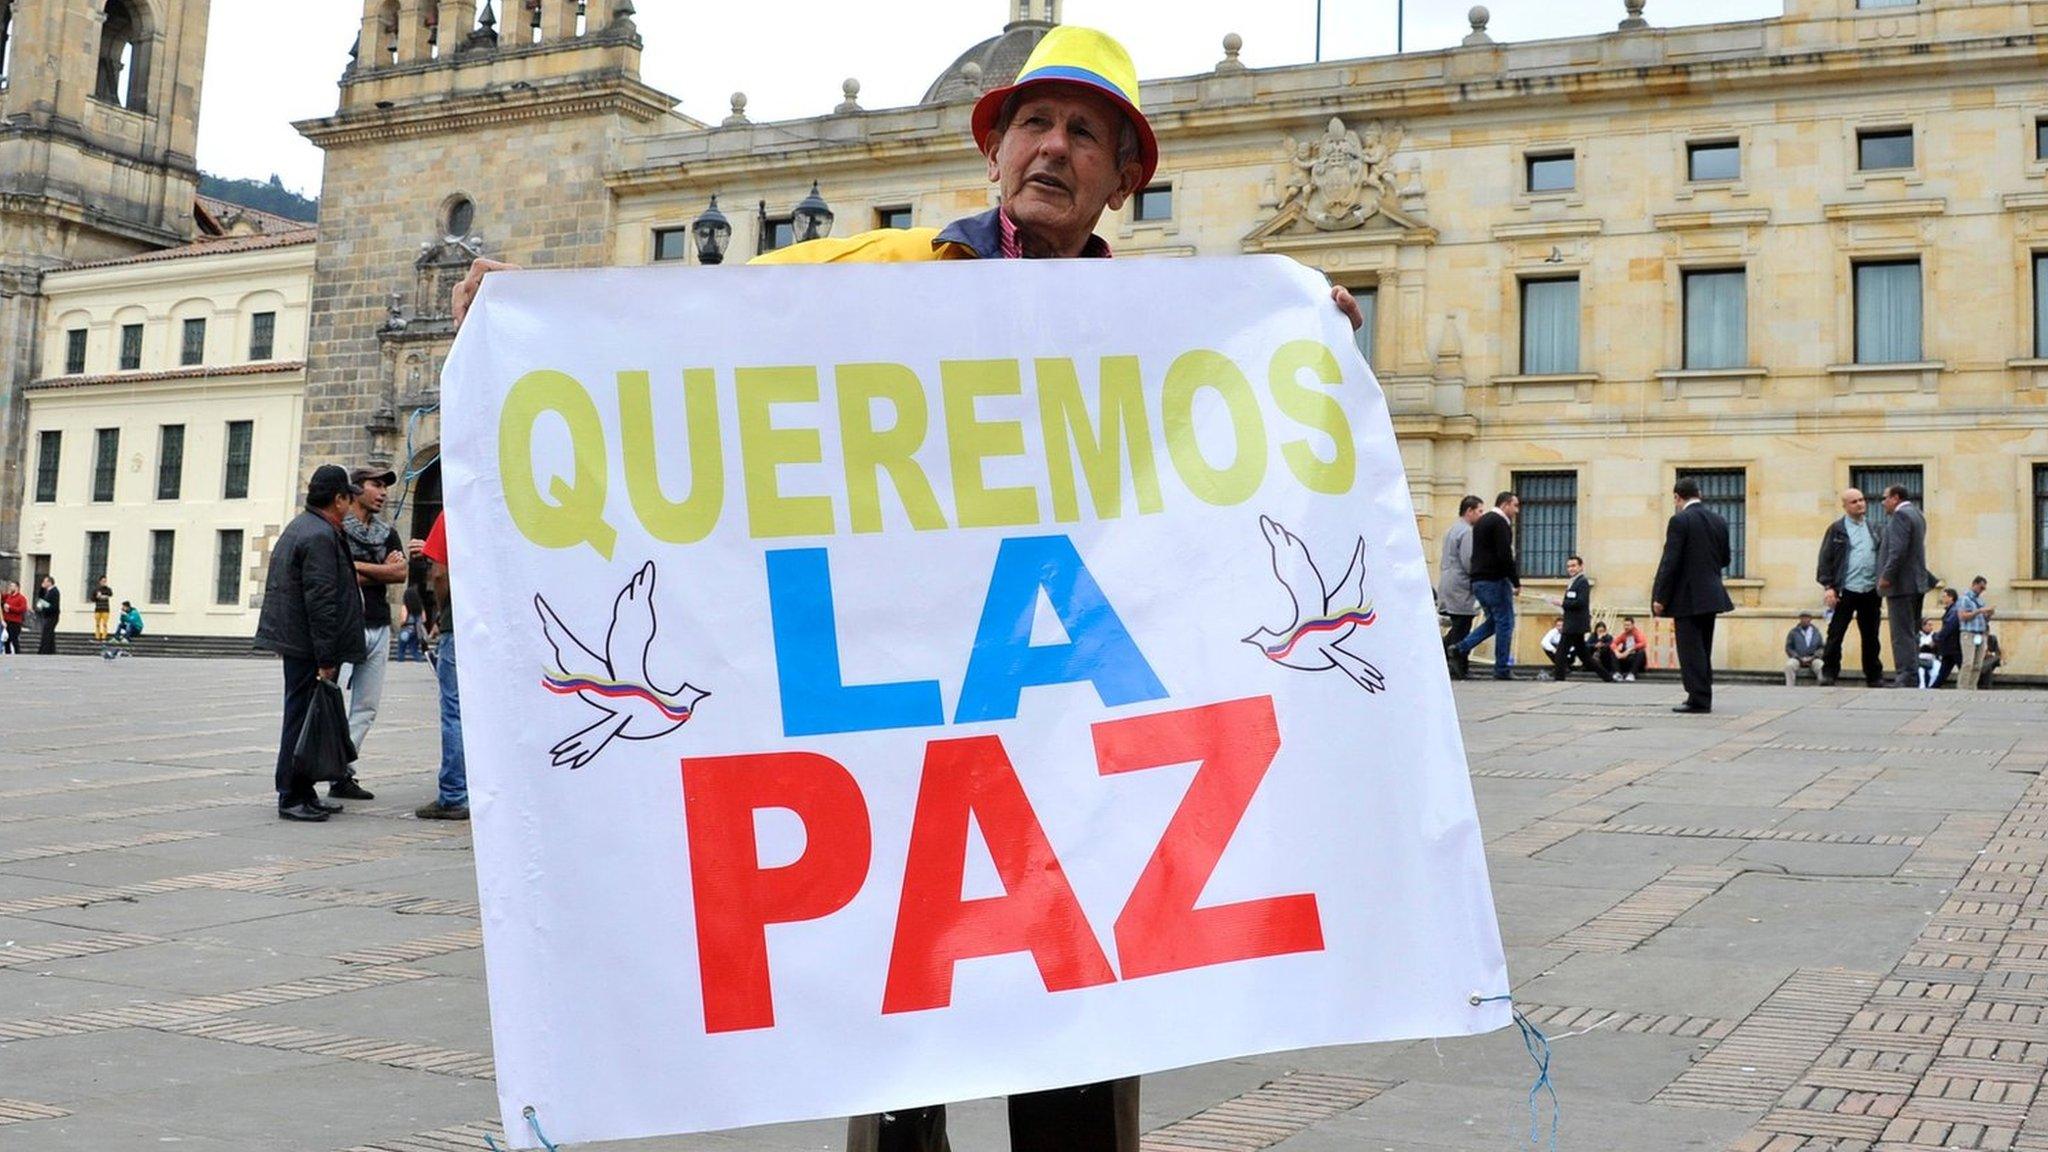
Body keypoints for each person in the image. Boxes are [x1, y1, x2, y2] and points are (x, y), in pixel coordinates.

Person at [447, 27, 1370, 1151]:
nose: (1051, 148)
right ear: (993, 151)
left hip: (1067, 729)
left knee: (1083, 1019)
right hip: (900, 725)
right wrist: (531, 312)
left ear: (1127, 178)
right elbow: (685, 327)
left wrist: (1304, 337)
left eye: (1086, 133)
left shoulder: (1162, 332)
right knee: (898, 1032)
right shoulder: (875, 274)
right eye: (1032, 122)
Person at [253, 465, 368, 822]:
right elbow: (321, 601)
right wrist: (326, 656)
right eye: (349, 498)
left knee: (304, 718)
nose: (351, 505)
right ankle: (291, 794)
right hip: (307, 645)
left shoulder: (306, 527)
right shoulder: (318, 535)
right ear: (338, 499)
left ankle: (303, 790)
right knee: (301, 718)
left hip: (298, 641)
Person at [339, 466, 407, 775]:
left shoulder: (386, 532)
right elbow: (340, 575)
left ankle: (342, 768)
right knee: (334, 703)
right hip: (345, 624)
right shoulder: (337, 528)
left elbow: (400, 573)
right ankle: (324, 765)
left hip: (378, 625)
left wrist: (359, 568)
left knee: (366, 707)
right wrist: (380, 569)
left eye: (385, 487)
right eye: (375, 485)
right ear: (355, 489)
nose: (382, 492)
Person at [1652, 477, 1734, 714]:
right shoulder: (1719, 520)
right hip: (1712, 593)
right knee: (1703, 648)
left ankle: (1697, 698)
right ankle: (1703, 693)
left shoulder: (1679, 520)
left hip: (1687, 596)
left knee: (1690, 650)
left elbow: (1671, 562)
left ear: (1677, 497)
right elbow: (1726, 559)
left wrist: (1661, 597)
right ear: (1699, 494)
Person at [416, 511, 470, 823]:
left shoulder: (455, 509)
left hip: (459, 624)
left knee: (455, 710)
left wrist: (440, 610)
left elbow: (439, 573)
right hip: (502, 631)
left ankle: (454, 794)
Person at [1815, 488, 1884, 687]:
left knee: (1871, 636)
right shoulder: (1837, 529)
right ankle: (1829, 672)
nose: (1860, 504)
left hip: (1870, 589)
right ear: (1845, 506)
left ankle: (1874, 675)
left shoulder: (1875, 528)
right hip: (1845, 590)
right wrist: (1828, 586)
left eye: (1862, 499)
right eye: (1854, 501)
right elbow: (1825, 559)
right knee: (1836, 634)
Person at [1449, 492, 1521, 681]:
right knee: (1506, 623)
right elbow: (1505, 555)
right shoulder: (1500, 523)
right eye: (1515, 506)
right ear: (1505, 505)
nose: (1516, 510)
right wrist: (1515, 581)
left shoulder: (1481, 522)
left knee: (1493, 621)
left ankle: (1459, 648)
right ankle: (1502, 668)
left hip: (1479, 581)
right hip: (1495, 580)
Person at [1876, 483, 1933, 689]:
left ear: (1896, 497)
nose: (1883, 503)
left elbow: (1897, 550)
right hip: (1916, 583)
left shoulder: (1900, 516)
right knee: (1911, 630)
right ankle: (1911, 674)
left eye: (1885, 498)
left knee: (1901, 633)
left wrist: (1886, 575)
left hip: (1901, 584)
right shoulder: (1917, 514)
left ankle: (1906, 675)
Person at [1437, 495, 1483, 676]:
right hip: (1461, 585)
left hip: (1448, 580)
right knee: (1463, 625)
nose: (1481, 515)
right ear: (1469, 511)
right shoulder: (1467, 532)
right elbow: (1469, 560)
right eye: (1479, 511)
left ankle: (1442, 654)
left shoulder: (1451, 530)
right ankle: (1458, 666)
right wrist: (1479, 576)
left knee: (1458, 624)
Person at [1548, 554, 1606, 681]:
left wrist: (1562, 603)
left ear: (1581, 567)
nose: (1571, 569)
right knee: (1585, 656)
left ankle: (1559, 678)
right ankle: (1607, 677)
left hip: (1575, 624)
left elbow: (1581, 602)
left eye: (1574, 566)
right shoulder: (1573, 582)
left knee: (1561, 652)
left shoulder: (1582, 582)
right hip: (1573, 623)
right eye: (1569, 566)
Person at [1956, 575, 1994, 693]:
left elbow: (1983, 619)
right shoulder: (1965, 599)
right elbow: (1962, 616)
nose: (1982, 590)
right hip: (1969, 633)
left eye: (1984, 589)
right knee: (1968, 662)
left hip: (1980, 634)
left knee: (1978, 664)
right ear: (1974, 584)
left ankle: (1972, 688)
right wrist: (1978, 611)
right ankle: (1962, 688)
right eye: (1981, 587)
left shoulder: (1980, 600)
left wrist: (1988, 614)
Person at [1928, 589, 1962, 689]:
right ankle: (1934, 688)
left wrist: (1936, 638)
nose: (1942, 598)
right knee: (1944, 671)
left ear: (1951, 597)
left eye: (1944, 596)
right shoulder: (1951, 609)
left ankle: (1970, 687)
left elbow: (1948, 628)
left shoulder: (1954, 610)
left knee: (1962, 669)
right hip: (1950, 647)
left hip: (1953, 646)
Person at [1784, 611, 1823, 687]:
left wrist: (1814, 656)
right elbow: (1789, 647)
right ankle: (1789, 688)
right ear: (1800, 619)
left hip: (1813, 658)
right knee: (1789, 666)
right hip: (1798, 658)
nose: (1805, 620)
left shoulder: (1816, 632)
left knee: (1821, 666)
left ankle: (1820, 688)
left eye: (1807, 618)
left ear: (1810, 619)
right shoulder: (1793, 632)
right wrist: (1797, 657)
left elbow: (1821, 647)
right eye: (1803, 618)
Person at [396, 585, 425, 662]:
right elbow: (424, 619)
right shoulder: (420, 607)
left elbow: (403, 619)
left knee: (401, 650)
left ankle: (400, 664)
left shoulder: (405, 606)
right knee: (414, 650)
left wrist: (401, 624)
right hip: (417, 631)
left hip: (406, 630)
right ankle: (420, 661)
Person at [1613, 616, 1647, 682]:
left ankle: (1632, 674)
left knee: (1641, 652)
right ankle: (1618, 673)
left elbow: (1643, 643)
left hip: (1636, 661)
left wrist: (1629, 650)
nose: (1626, 627)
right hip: (1626, 660)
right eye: (1625, 625)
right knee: (1613, 652)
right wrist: (1617, 652)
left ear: (1633, 625)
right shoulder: (1623, 635)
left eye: (1628, 625)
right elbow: (1613, 644)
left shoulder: (1638, 633)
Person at [34, 575, 60, 654]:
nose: (43, 583)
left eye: (45, 581)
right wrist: (41, 588)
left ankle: (45, 651)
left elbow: (54, 606)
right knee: (49, 633)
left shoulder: (54, 591)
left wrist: (44, 606)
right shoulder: (47, 591)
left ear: (49, 582)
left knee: (47, 633)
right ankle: (51, 651)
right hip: (47, 615)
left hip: (52, 616)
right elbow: (40, 597)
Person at [1, 582, 26, 654]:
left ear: (17, 587)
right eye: (10, 585)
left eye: (12, 586)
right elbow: (2, 597)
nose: (10, 587)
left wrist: (10, 607)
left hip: (15, 622)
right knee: (6, 641)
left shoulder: (21, 598)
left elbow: (22, 609)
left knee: (14, 640)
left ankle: (18, 655)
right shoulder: (9, 596)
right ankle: (8, 655)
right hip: (7, 621)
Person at [91, 576, 112, 642]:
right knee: (97, 624)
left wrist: (103, 596)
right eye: (103, 581)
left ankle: (104, 637)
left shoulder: (108, 589)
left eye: (105, 581)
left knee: (104, 623)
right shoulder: (96, 589)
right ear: (100, 582)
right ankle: (97, 637)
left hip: (105, 609)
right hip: (98, 609)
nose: (104, 582)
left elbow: (110, 594)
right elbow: (92, 598)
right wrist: (97, 597)